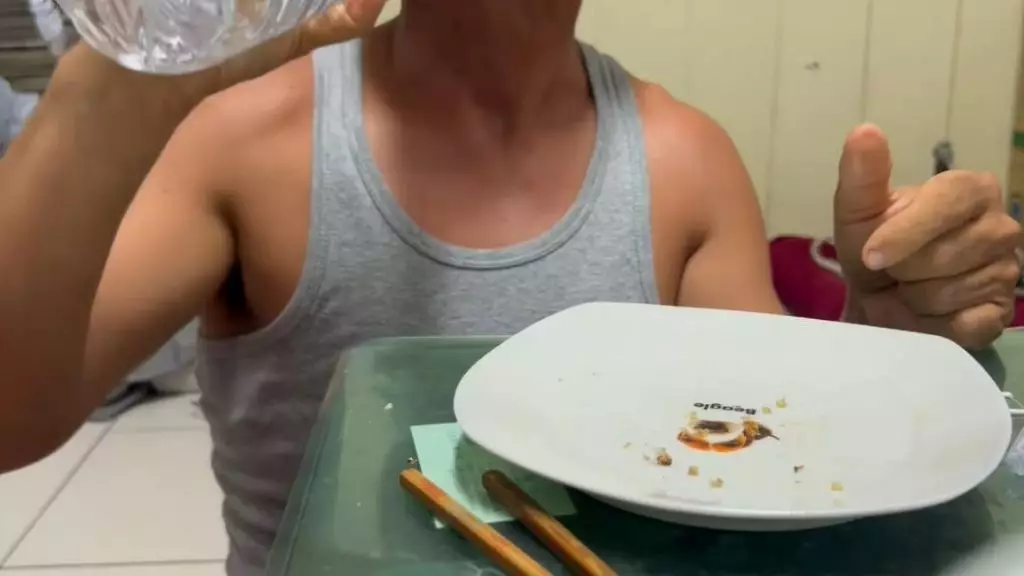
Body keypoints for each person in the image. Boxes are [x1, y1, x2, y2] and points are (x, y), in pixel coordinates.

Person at [0, 0, 1019, 573]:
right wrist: (118, 79)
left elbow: (768, 461)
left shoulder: (686, 161)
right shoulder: (242, 135)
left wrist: (884, 337)